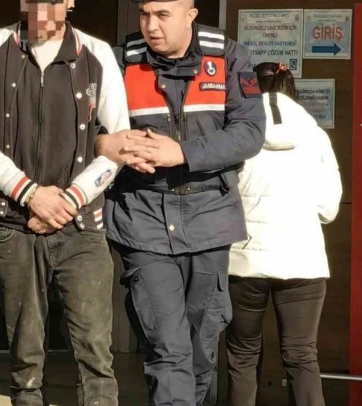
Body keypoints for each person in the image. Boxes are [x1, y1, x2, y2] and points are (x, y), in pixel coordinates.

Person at [0, 0, 137, 404]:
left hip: (81, 222)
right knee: (25, 357)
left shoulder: (97, 54)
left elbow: (118, 144)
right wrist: (30, 194)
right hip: (13, 221)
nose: (39, 10)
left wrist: (68, 200)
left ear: (69, 3)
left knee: (95, 353)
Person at [95, 0, 266, 404]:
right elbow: (86, 129)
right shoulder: (119, 62)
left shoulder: (227, 57)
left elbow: (249, 132)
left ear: (191, 15)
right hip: (143, 220)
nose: (150, 26)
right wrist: (105, 144)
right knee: (167, 349)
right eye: (144, 14)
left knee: (200, 350)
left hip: (210, 221)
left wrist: (182, 153)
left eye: (162, 15)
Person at [225, 62, 342, 406]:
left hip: (244, 262)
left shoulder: (237, 135)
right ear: (291, 89)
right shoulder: (316, 137)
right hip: (303, 262)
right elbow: (329, 209)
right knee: (302, 355)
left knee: (242, 354)